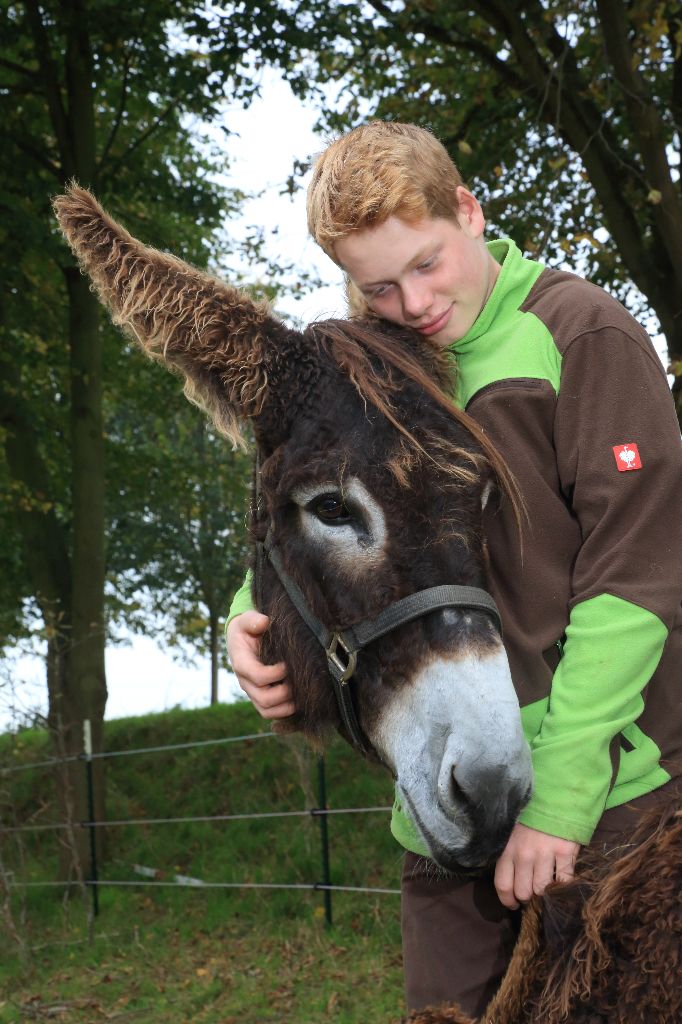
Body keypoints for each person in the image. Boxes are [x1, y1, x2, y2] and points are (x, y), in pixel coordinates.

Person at [226, 122, 682, 1016]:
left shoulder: (582, 334)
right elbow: (306, 511)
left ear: (468, 211)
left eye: (428, 263)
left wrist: (561, 801)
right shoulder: (367, 363)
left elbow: (638, 583)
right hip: (440, 809)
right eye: (379, 286)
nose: (413, 303)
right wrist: (250, 618)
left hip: (613, 795)